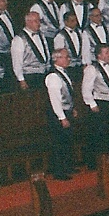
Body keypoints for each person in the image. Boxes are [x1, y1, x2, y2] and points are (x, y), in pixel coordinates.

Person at [82, 43, 109, 164]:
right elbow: (86, 88)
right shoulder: (92, 68)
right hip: (99, 103)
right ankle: (95, 163)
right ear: (99, 55)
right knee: (98, 133)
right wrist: (92, 104)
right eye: (106, 52)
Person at [44, 48, 77, 180]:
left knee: (67, 141)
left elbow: (67, 93)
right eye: (65, 57)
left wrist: (72, 108)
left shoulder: (63, 73)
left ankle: (67, 166)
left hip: (65, 111)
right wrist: (62, 117)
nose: (68, 59)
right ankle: (59, 172)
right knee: (59, 143)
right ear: (56, 59)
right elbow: (55, 99)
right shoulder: (53, 76)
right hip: (57, 114)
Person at [11, 11, 51, 90]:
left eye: (39, 20)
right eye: (36, 21)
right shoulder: (19, 39)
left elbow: (46, 52)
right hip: (30, 76)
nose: (39, 23)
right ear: (28, 22)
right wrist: (21, 80)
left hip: (44, 73)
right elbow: (17, 62)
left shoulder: (41, 35)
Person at [54, 11, 86, 91]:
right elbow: (59, 53)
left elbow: (84, 49)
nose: (75, 23)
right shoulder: (60, 36)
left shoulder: (80, 32)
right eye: (72, 21)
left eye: (75, 20)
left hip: (79, 66)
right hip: (69, 67)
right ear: (65, 22)